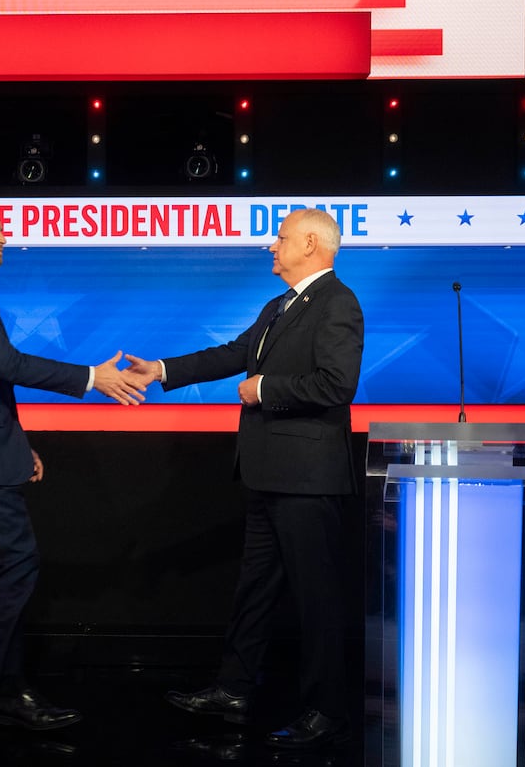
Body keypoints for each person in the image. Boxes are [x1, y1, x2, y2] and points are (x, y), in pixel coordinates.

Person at [124, 207, 364, 750]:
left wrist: (265, 389)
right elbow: (235, 353)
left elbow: (336, 384)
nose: (271, 247)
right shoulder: (279, 306)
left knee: (317, 599)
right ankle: (233, 690)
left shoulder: (338, 303)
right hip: (268, 474)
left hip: (307, 478)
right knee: (254, 590)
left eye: (279, 239)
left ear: (310, 243)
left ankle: (327, 711)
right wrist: (162, 369)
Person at [0, 197, 147, 731]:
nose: (5, 238)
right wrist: (92, 378)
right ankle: (9, 690)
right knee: (18, 563)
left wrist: (17, 443)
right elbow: (8, 364)